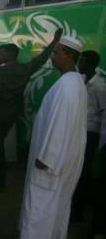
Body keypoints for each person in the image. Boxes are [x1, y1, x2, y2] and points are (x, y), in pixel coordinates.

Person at [19, 36, 87, 239]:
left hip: (50, 165)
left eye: (56, 53)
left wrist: (46, 158)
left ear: (69, 56)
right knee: (55, 210)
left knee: (39, 211)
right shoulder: (73, 82)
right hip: (60, 162)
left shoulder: (68, 85)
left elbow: (60, 125)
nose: (52, 57)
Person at [0, 28, 63, 190]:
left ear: (5, 54)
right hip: (14, 113)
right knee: (0, 144)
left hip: (0, 113)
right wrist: (54, 41)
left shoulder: (1, 71)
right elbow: (41, 59)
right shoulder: (24, 69)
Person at [71, 50, 106, 221]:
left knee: (84, 171)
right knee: (76, 168)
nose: (80, 65)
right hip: (80, 130)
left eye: (83, 62)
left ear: (91, 64)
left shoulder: (100, 86)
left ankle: (78, 211)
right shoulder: (81, 81)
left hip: (91, 133)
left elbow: (103, 112)